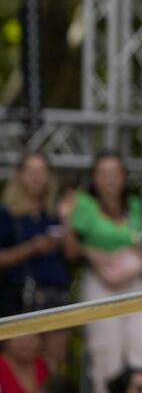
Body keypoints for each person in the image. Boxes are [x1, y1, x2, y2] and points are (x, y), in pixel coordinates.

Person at [62, 151, 142, 393]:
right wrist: (94, 254)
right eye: (103, 174)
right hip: (99, 284)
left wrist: (132, 263)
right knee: (107, 366)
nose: (110, 179)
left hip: (133, 283)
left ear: (123, 177)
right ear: (94, 178)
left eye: (115, 173)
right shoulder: (85, 205)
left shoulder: (133, 206)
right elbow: (71, 250)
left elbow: (137, 245)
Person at [0, 151, 72, 373]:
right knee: (17, 369)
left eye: (41, 171)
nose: (36, 176)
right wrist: (33, 247)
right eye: (31, 170)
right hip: (19, 299)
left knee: (52, 370)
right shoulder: (6, 213)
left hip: (56, 296)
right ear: (19, 175)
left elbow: (73, 254)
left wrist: (68, 220)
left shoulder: (55, 213)